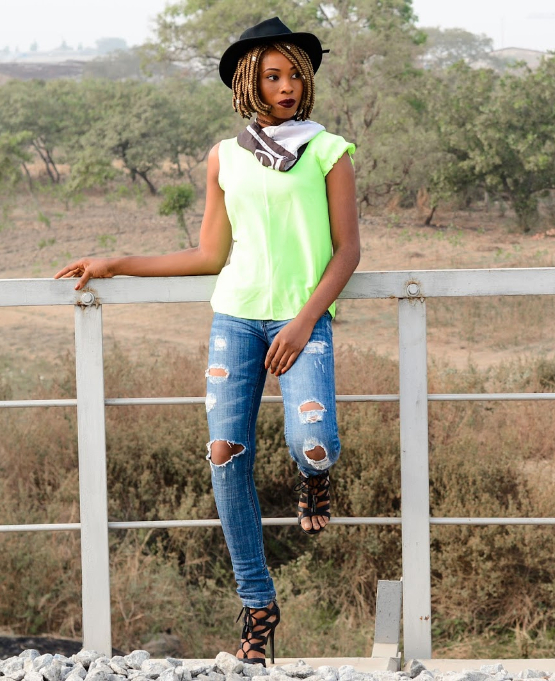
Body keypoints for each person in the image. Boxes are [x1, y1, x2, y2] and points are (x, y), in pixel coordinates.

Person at [54, 17, 360, 665]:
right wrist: (117, 262)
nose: (287, 86)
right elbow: (208, 255)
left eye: (295, 75)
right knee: (224, 454)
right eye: (273, 76)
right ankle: (258, 604)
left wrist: (304, 319)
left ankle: (314, 476)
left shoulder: (328, 151)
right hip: (236, 318)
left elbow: (348, 251)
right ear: (250, 83)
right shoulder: (225, 156)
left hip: (301, 318)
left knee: (315, 441)